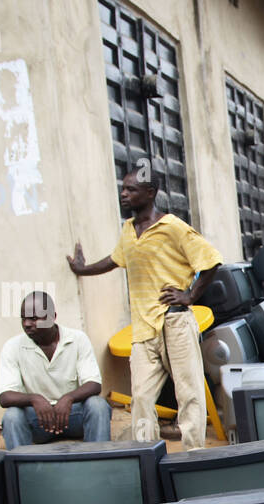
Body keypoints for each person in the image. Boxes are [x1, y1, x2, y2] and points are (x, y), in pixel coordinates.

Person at [66, 166, 222, 449]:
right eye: (123, 189)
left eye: (131, 190)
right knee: (140, 398)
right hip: (142, 330)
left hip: (174, 324)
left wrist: (189, 295)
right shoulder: (128, 230)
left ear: (150, 193)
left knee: (189, 395)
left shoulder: (172, 226)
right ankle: (147, 455)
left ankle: (195, 456)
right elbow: (114, 260)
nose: (124, 194)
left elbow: (211, 260)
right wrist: (83, 269)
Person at [0, 292, 110, 449]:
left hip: (72, 416)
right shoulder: (13, 346)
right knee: (12, 416)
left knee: (98, 405)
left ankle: (99, 463)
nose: (27, 324)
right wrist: (35, 399)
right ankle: (21, 469)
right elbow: (5, 397)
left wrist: (68, 399)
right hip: (39, 421)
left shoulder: (77, 339)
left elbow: (94, 384)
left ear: (52, 317)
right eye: (24, 318)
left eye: (34, 318)